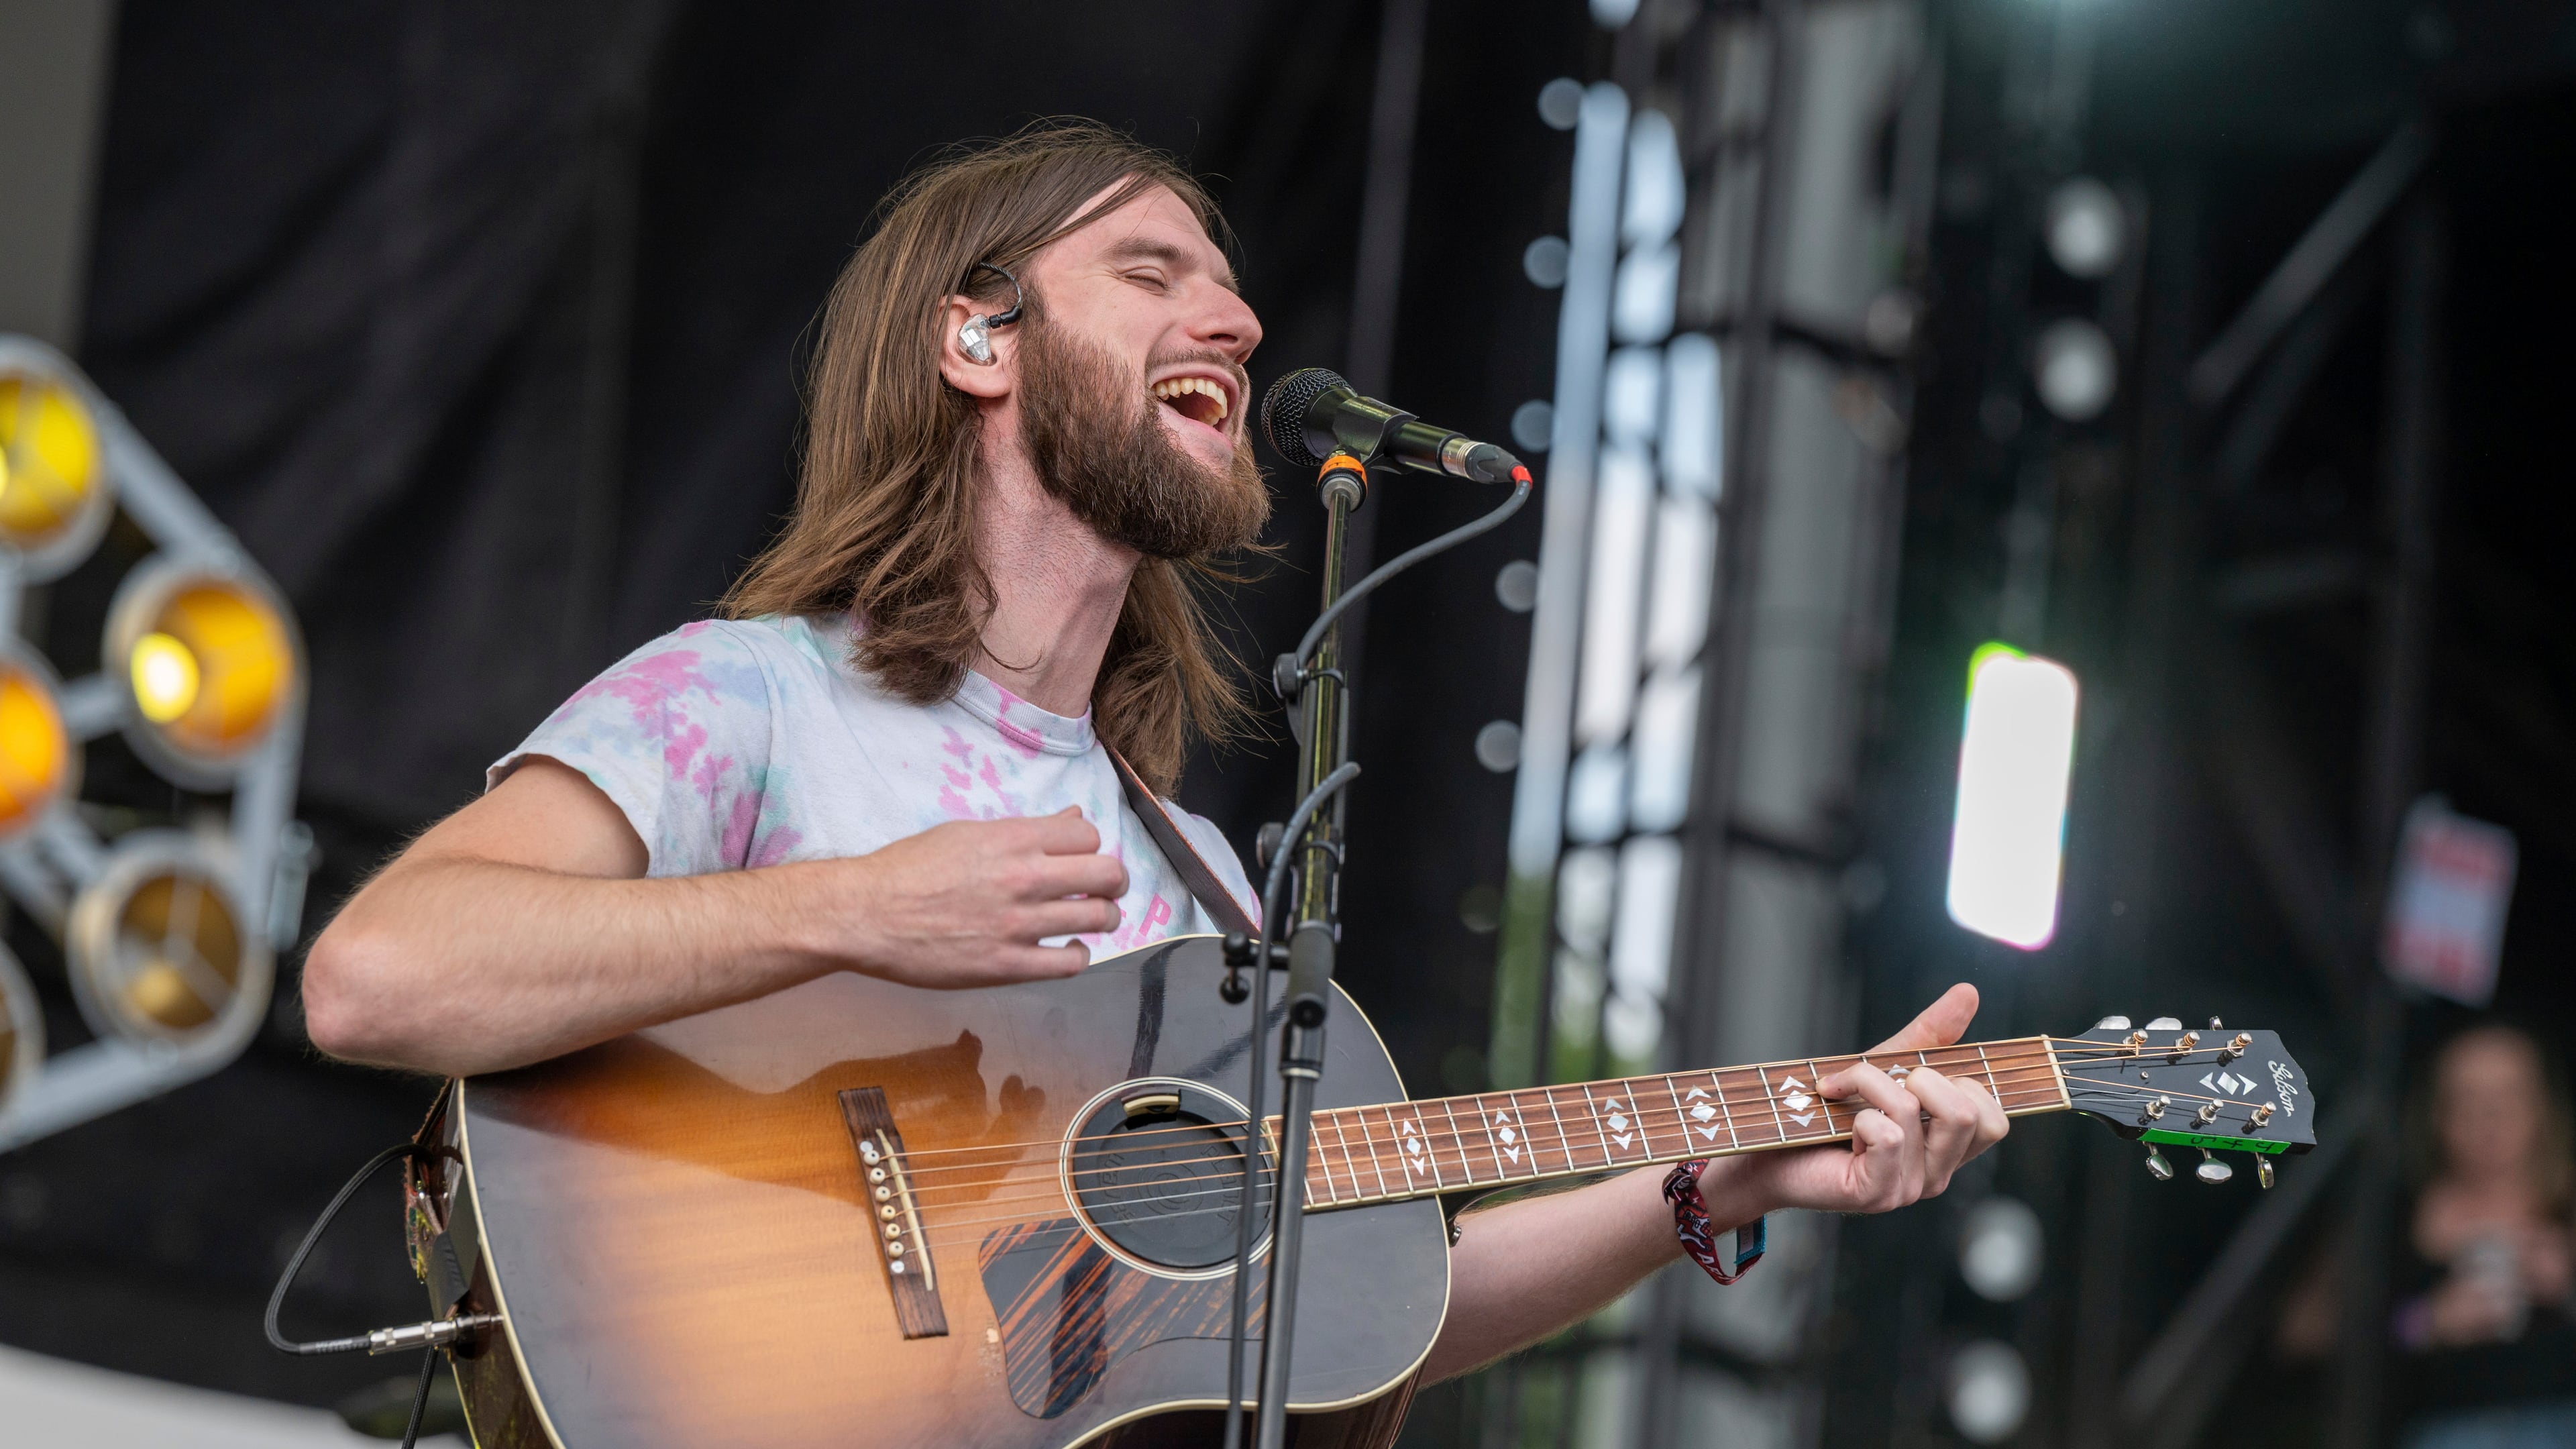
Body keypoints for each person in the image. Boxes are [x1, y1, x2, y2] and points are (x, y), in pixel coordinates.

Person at [302, 121, 2006, 1437]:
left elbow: (1341, 1301)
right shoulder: (748, 695)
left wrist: (1712, 1179)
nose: (1240, 317)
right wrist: (858, 907)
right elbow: (380, 974)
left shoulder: (1196, 874)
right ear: (981, 340)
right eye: (1150, 271)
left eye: (1228, 284)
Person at [2280, 1024, 2576, 1449]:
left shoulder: (2566, 1208)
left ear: (2543, 1108)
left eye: (2509, 1098)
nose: (2489, 1123)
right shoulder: (2386, 1214)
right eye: (2468, 1102)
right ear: (2437, 1113)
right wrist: (2424, 1324)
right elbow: (2303, 1334)